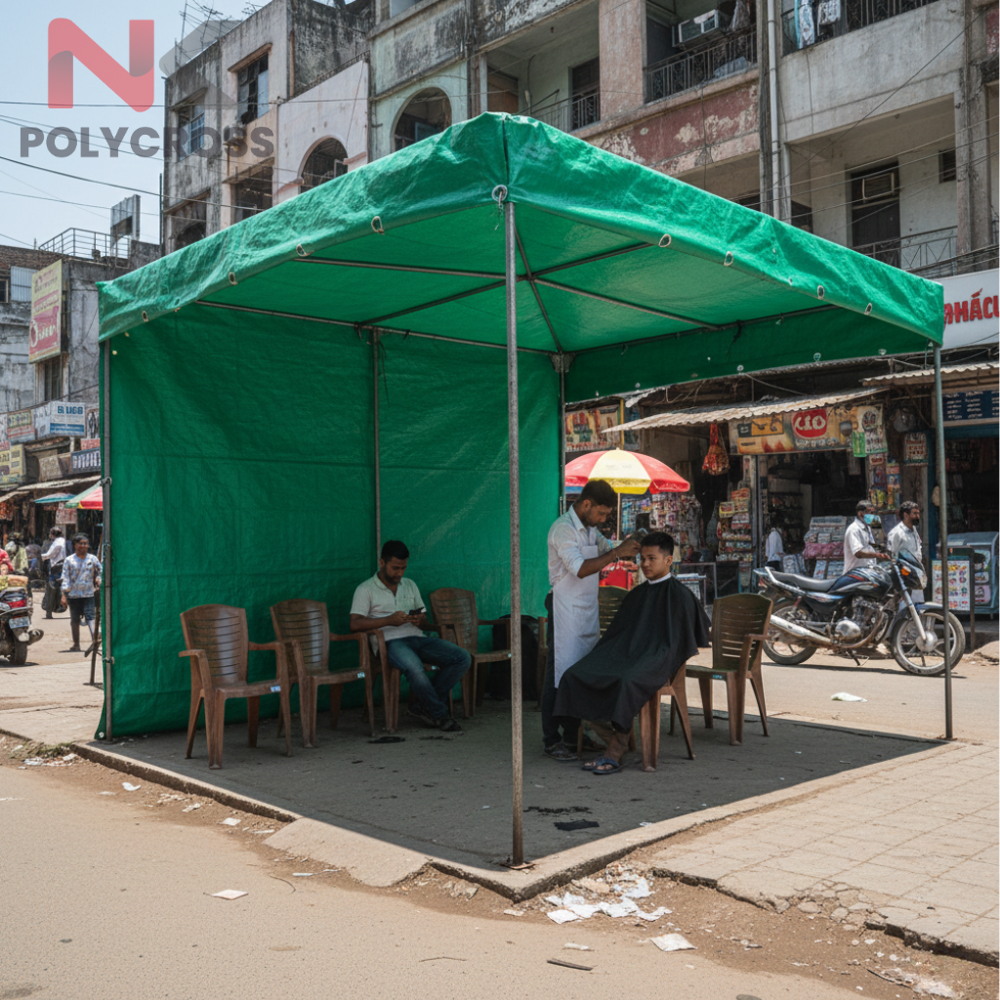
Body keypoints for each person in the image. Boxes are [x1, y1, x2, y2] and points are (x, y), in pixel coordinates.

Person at [554, 532, 711, 774]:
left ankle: (615, 749)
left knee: (627, 681)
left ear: (668, 561)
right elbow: (618, 636)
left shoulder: (680, 596)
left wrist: (645, 658)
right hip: (628, 656)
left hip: (659, 662)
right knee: (575, 675)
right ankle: (611, 737)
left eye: (651, 559)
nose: (645, 564)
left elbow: (674, 645)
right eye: (642, 558)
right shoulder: (637, 595)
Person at [542, 479, 641, 763]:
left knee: (579, 673)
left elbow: (608, 547)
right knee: (557, 673)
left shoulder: (591, 530)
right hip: (563, 607)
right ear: (586, 505)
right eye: (601, 513)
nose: (604, 519)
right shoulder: (563, 529)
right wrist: (615, 553)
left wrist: (627, 546)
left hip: (584, 609)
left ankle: (574, 735)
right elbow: (580, 568)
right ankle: (552, 739)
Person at [350, 540, 471, 733]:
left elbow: (422, 617)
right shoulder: (365, 589)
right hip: (389, 642)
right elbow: (354, 624)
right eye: (395, 568)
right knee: (414, 668)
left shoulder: (410, 585)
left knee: (462, 657)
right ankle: (439, 714)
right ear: (382, 563)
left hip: (417, 638)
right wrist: (388, 620)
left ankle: (422, 706)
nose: (399, 573)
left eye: (403, 568)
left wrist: (419, 620)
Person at [60, 533, 102, 653]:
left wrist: (99, 580)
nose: (83, 546)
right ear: (75, 545)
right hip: (73, 596)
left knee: (91, 617)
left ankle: (95, 640)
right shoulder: (69, 560)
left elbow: (100, 572)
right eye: (81, 543)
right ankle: (76, 644)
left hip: (89, 594)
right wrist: (64, 595)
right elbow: (65, 578)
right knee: (74, 620)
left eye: (85, 544)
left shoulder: (93, 559)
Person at [843, 499, 891, 574]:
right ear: (861, 514)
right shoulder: (854, 529)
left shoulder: (867, 528)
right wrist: (877, 555)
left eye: (873, 513)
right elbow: (858, 553)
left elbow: (871, 546)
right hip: (855, 574)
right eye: (870, 513)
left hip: (867, 572)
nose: (872, 516)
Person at [41, 528, 67, 618]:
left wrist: (41, 557)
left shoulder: (57, 543)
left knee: (51, 589)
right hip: (62, 566)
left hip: (57, 567)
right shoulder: (64, 541)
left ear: (52, 534)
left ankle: (49, 612)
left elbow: (50, 554)